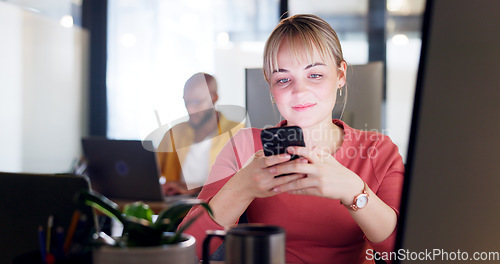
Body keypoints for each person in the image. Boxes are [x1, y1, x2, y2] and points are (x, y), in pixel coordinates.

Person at [180, 14, 404, 263]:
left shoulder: (377, 150)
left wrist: (353, 190)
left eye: (315, 75)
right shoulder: (244, 146)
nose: (299, 91)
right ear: (271, 89)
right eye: (283, 79)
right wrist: (243, 186)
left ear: (340, 75)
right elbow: (186, 248)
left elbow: (404, 252)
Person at [156, 72, 244, 196]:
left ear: (214, 98)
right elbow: (149, 172)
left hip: (218, 205)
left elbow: (245, 180)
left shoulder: (238, 132)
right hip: (176, 206)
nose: (190, 109)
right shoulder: (173, 133)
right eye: (187, 102)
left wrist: (196, 189)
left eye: (197, 102)